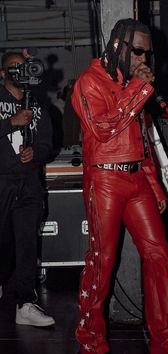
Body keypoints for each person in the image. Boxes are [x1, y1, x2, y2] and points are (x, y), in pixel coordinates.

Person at [71, 18, 168, 354]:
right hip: (104, 179)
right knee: (102, 260)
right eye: (139, 51)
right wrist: (139, 90)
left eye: (149, 53)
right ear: (118, 46)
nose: (145, 59)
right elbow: (104, 129)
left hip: (136, 179)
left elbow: (142, 141)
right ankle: (91, 343)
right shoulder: (89, 82)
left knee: (160, 254)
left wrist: (155, 188)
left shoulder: (133, 85)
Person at [0, 51, 55, 327]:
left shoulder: (39, 104)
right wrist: (11, 122)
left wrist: (36, 153)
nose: (19, 72)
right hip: (1, 181)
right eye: (13, 68)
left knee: (26, 244)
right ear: (2, 73)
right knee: (3, 243)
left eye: (23, 67)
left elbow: (47, 143)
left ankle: (25, 303)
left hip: (29, 184)